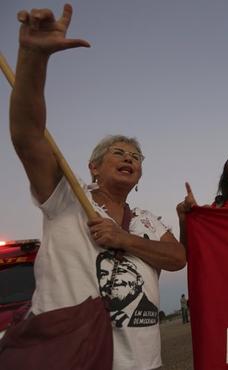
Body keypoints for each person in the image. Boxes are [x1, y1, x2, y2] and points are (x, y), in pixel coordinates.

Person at [10, 5, 186, 369]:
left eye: (136, 157)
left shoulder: (148, 221)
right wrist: (33, 59)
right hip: (77, 356)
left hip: (144, 361)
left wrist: (124, 240)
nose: (130, 159)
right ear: (93, 167)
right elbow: (27, 136)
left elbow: (177, 257)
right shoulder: (65, 197)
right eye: (118, 153)